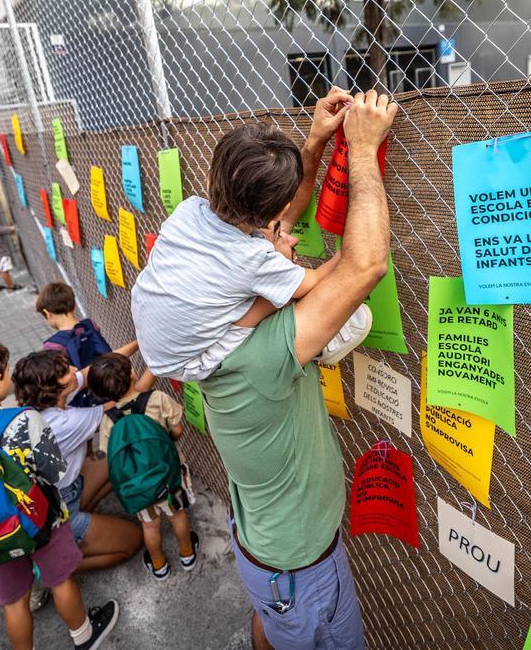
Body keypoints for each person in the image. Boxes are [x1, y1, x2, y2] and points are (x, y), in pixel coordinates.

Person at [132, 89, 397, 650]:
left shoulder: (195, 218)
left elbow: (270, 223)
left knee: (271, 628)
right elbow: (364, 264)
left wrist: (316, 142)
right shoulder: (264, 358)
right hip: (299, 566)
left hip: (265, 553)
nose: (286, 237)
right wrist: (364, 149)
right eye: (277, 238)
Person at [130, 87, 366, 385]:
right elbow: (318, 280)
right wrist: (357, 240)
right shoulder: (252, 259)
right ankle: (317, 339)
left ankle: (275, 284)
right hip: (190, 362)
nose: (287, 236)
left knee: (267, 280)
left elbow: (280, 223)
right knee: (276, 297)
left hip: (154, 335)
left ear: (208, 178)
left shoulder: (188, 211)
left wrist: (317, 136)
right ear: (280, 209)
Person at [0, 339, 118, 650]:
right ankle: (84, 635)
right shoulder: (24, 419)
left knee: (14, 601)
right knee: (60, 580)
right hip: (42, 522)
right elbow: (55, 472)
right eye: (6, 369)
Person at [12, 351, 144, 572]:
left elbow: (90, 370)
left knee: (117, 461)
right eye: (66, 371)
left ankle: (73, 534)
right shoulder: (64, 422)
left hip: (56, 494)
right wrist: (157, 364)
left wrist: (141, 342)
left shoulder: (43, 404)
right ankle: (48, 565)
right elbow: (128, 399)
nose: (74, 369)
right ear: (53, 389)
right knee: (133, 540)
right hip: (57, 510)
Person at [89, 351, 197, 581]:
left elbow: (110, 454)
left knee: (150, 526)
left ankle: (158, 564)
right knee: (177, 515)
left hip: (137, 486)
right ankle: (187, 553)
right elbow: (177, 431)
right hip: (169, 475)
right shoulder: (157, 398)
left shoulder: (108, 419)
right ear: (133, 373)